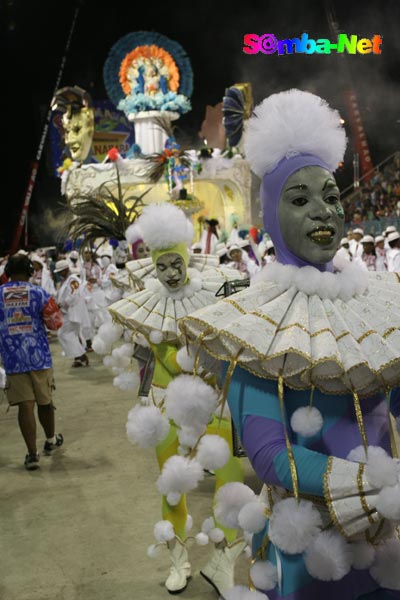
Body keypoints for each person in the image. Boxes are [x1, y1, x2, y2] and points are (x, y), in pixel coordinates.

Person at [182, 90, 400, 598]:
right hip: (310, 546)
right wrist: (369, 484)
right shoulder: (252, 323)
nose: (324, 211)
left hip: (385, 534)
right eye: (299, 199)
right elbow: (267, 453)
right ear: (273, 215)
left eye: (331, 196)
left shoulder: (375, 302)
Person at [109, 203, 246, 596]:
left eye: (176, 264)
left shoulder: (212, 290)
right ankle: (178, 560)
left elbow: (240, 308)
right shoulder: (146, 305)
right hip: (166, 402)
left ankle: (223, 560)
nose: (170, 274)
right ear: (152, 266)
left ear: (187, 260)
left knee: (231, 477)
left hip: (212, 397)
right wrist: (185, 364)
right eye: (162, 266)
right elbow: (159, 358)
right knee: (173, 483)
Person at [0, 254, 64, 470]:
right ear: (30, 271)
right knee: (45, 402)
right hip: (39, 358)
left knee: (25, 406)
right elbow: (56, 323)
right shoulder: (39, 293)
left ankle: (32, 454)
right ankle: (51, 439)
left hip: (12, 360)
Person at [55, 259, 90, 367]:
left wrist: (61, 305)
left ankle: (81, 355)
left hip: (72, 311)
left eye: (61, 271)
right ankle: (79, 357)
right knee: (73, 335)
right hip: (68, 312)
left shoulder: (73, 279)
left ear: (65, 269)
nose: (59, 274)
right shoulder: (66, 281)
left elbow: (73, 294)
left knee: (64, 334)